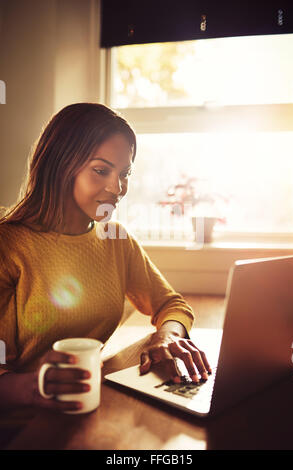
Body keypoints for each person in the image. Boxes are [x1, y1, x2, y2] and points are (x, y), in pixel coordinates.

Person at [0, 103, 211, 415]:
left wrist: (166, 338)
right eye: (101, 171)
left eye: (124, 173)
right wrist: (36, 387)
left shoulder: (116, 239)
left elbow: (172, 305)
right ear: (60, 166)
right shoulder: (9, 245)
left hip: (87, 405)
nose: (118, 188)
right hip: (22, 423)